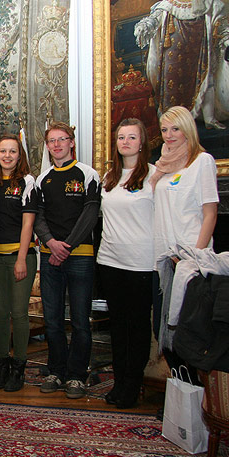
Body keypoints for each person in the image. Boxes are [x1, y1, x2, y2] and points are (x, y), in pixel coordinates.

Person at [134, 0, 229, 129]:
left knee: (207, 82)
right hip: (174, 55)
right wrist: (144, 26)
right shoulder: (169, 2)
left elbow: (220, 23)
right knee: (174, 88)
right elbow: (154, 19)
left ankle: (210, 120)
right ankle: (175, 122)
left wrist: (227, 38)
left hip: (201, 50)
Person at [34, 121, 101, 399]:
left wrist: (68, 246)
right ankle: (56, 371)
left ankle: (76, 376)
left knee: (80, 320)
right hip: (50, 259)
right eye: (52, 141)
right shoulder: (42, 179)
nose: (57, 145)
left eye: (62, 140)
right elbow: (37, 216)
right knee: (52, 319)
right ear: (48, 146)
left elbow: (91, 213)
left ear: (72, 142)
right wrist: (51, 243)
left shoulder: (88, 174)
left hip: (81, 257)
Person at [97, 118, 156, 409]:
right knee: (117, 326)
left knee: (138, 326)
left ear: (142, 142)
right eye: (121, 137)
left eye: (132, 137)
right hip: (110, 261)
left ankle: (133, 384)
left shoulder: (154, 177)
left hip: (142, 263)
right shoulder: (109, 176)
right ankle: (119, 381)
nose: (126, 142)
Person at [151, 106, 219, 355]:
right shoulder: (162, 167)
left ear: (187, 129)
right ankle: (177, 390)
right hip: (164, 261)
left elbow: (210, 214)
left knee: (188, 336)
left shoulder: (202, 161)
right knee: (163, 333)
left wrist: (194, 257)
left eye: (175, 129)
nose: (169, 135)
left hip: (190, 262)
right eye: (164, 130)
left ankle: (195, 392)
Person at [0, 134, 37, 392]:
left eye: (12, 152)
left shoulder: (27, 182)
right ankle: (2, 366)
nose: (7, 156)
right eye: (3, 151)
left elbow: (28, 223)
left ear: (20, 155)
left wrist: (20, 259)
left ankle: (19, 368)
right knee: (1, 314)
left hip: (20, 257)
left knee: (18, 313)